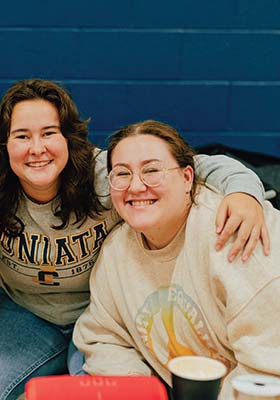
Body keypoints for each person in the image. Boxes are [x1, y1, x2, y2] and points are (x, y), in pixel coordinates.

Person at [0, 79, 270, 400]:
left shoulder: (109, 174)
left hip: (103, 310)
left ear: (69, 138)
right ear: (4, 144)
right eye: (22, 136)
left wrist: (244, 193)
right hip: (23, 307)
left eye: (49, 133)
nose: (37, 148)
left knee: (109, 391)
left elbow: (199, 165)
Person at [73, 120, 280, 399]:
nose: (136, 186)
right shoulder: (116, 252)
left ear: (187, 178)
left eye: (152, 171)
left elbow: (267, 373)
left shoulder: (235, 233)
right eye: (122, 174)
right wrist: (139, 390)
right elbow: (103, 336)